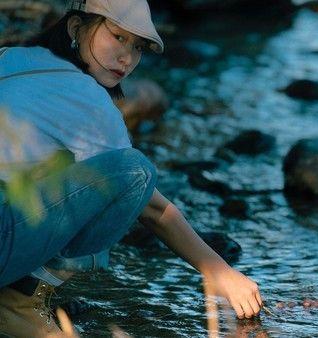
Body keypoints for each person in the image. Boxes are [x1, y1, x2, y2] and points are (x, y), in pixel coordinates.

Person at [0, 0, 262, 336]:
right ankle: (17, 301)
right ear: (76, 28)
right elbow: (151, 207)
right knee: (134, 172)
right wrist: (219, 270)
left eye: (137, 46)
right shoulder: (88, 99)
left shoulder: (9, 57)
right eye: (118, 37)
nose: (128, 58)